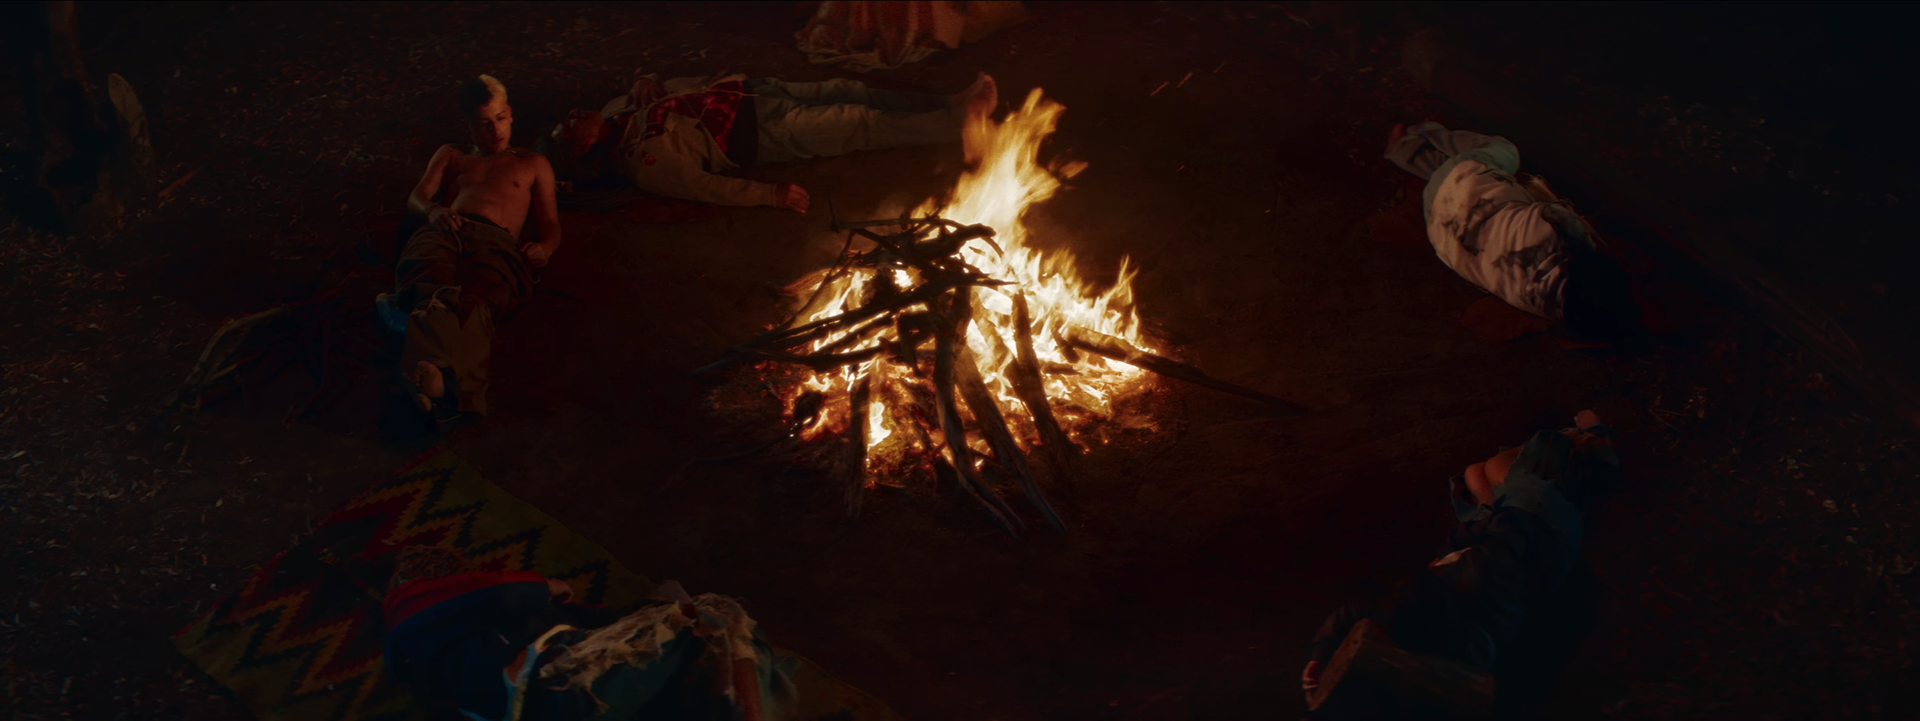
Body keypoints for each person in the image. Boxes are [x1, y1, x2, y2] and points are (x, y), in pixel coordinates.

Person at [1300, 410, 1621, 699]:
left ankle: (1561, 465)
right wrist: (1468, 535)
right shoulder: (1485, 579)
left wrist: (1320, 654)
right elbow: (1513, 529)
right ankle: (1588, 447)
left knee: (1473, 474)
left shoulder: (1419, 628)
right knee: (1498, 467)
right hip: (1540, 528)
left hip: (1512, 539)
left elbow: (1355, 612)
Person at [381, 545, 815, 721]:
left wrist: (652, 616)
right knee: (722, 618)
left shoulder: (446, 654)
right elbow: (505, 592)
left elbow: (599, 622)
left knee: (695, 663)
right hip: (553, 681)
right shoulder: (409, 603)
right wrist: (547, 586)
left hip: (552, 702)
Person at [380, 74, 561, 438]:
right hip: (448, 228)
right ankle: (444, 383)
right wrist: (433, 211)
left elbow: (551, 225)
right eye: (482, 124)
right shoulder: (453, 155)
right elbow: (417, 197)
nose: (494, 131)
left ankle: (429, 376)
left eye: (499, 119)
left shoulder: (532, 163)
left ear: (510, 113)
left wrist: (544, 248)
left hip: (498, 243)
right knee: (429, 280)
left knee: (480, 302)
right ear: (467, 124)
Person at [541, 71, 998, 212]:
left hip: (751, 94)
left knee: (849, 90)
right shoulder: (643, 161)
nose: (575, 114)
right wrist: (768, 194)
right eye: (571, 126)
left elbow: (665, 85)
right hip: (762, 134)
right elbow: (704, 187)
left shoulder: (617, 108)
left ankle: (947, 102)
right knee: (860, 122)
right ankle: (961, 124)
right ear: (583, 148)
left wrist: (647, 78)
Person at [1384, 123, 1647, 346]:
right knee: (1450, 176)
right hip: (1439, 230)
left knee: (1504, 151)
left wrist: (1586, 240)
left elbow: (1554, 212)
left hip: (1463, 191)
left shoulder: (1548, 235)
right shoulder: (1539, 305)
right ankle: (1408, 154)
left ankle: (1423, 132)